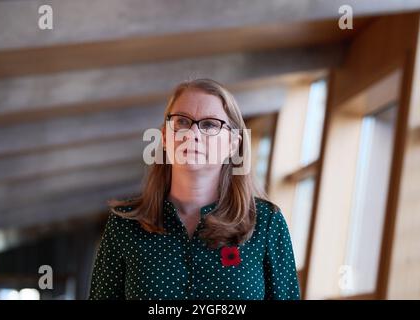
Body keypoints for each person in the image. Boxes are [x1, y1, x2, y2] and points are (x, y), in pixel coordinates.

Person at [89, 78, 300, 300]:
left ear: (233, 143)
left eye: (210, 124)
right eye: (181, 121)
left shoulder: (265, 223)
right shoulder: (125, 225)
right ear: (164, 136)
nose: (192, 134)